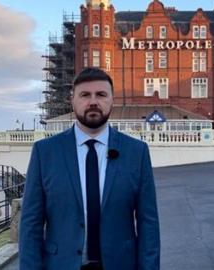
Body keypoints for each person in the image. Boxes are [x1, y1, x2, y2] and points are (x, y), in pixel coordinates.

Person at [19, 68, 160, 270]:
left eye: (101, 94)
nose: (93, 101)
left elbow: (149, 223)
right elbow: (30, 225)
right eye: (85, 95)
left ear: (112, 100)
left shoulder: (136, 152)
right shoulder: (45, 153)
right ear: (73, 100)